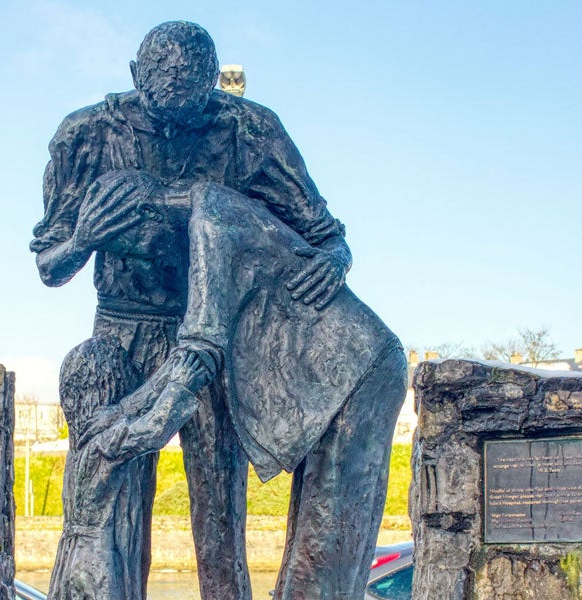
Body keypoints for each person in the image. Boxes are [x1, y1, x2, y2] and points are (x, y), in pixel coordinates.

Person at [32, 21, 354, 599]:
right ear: (135, 79)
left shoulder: (248, 131)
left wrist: (334, 260)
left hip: (210, 332)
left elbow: (324, 234)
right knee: (114, 504)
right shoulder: (85, 135)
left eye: (191, 113)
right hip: (122, 332)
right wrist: (81, 240)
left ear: (213, 87)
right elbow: (50, 265)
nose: (176, 131)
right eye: (162, 116)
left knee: (219, 512)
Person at [47, 337, 212, 600]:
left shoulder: (86, 438)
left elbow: (128, 406)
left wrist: (171, 368)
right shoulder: (105, 444)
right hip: (97, 561)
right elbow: (153, 430)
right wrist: (181, 384)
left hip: (72, 556)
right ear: (107, 384)